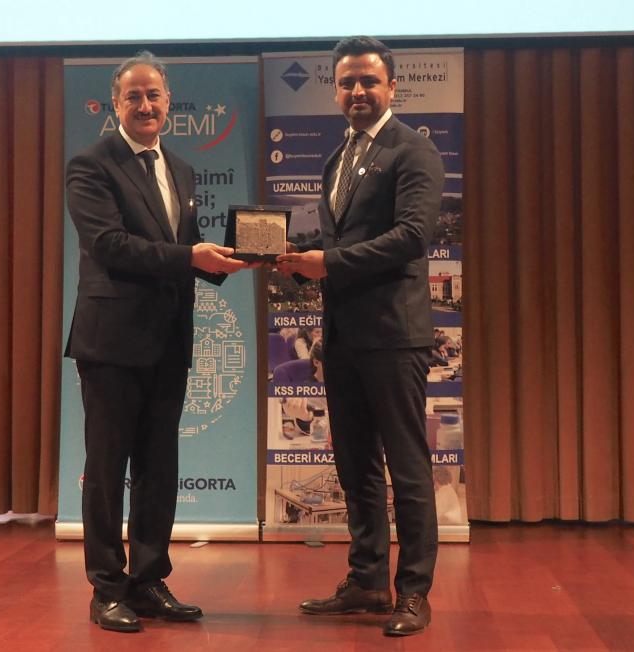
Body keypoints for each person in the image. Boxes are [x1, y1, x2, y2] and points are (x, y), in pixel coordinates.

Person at [65, 51, 246, 633]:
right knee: (107, 467)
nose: (145, 106)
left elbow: (184, 248)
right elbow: (109, 244)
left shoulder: (182, 170)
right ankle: (106, 589)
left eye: (154, 96)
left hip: (169, 339)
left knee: (158, 466)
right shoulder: (91, 165)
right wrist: (190, 255)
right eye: (134, 97)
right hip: (111, 343)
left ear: (169, 101)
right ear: (115, 104)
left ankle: (148, 581)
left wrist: (235, 258)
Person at [276, 35, 445, 637]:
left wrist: (327, 263)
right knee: (355, 467)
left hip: (395, 336)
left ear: (392, 87)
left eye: (368, 81)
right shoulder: (337, 158)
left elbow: (412, 237)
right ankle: (368, 581)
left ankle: (414, 592)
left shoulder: (413, 151)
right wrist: (292, 255)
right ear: (335, 90)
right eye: (346, 82)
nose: (357, 91)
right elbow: (340, 243)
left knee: (408, 468)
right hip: (344, 337)